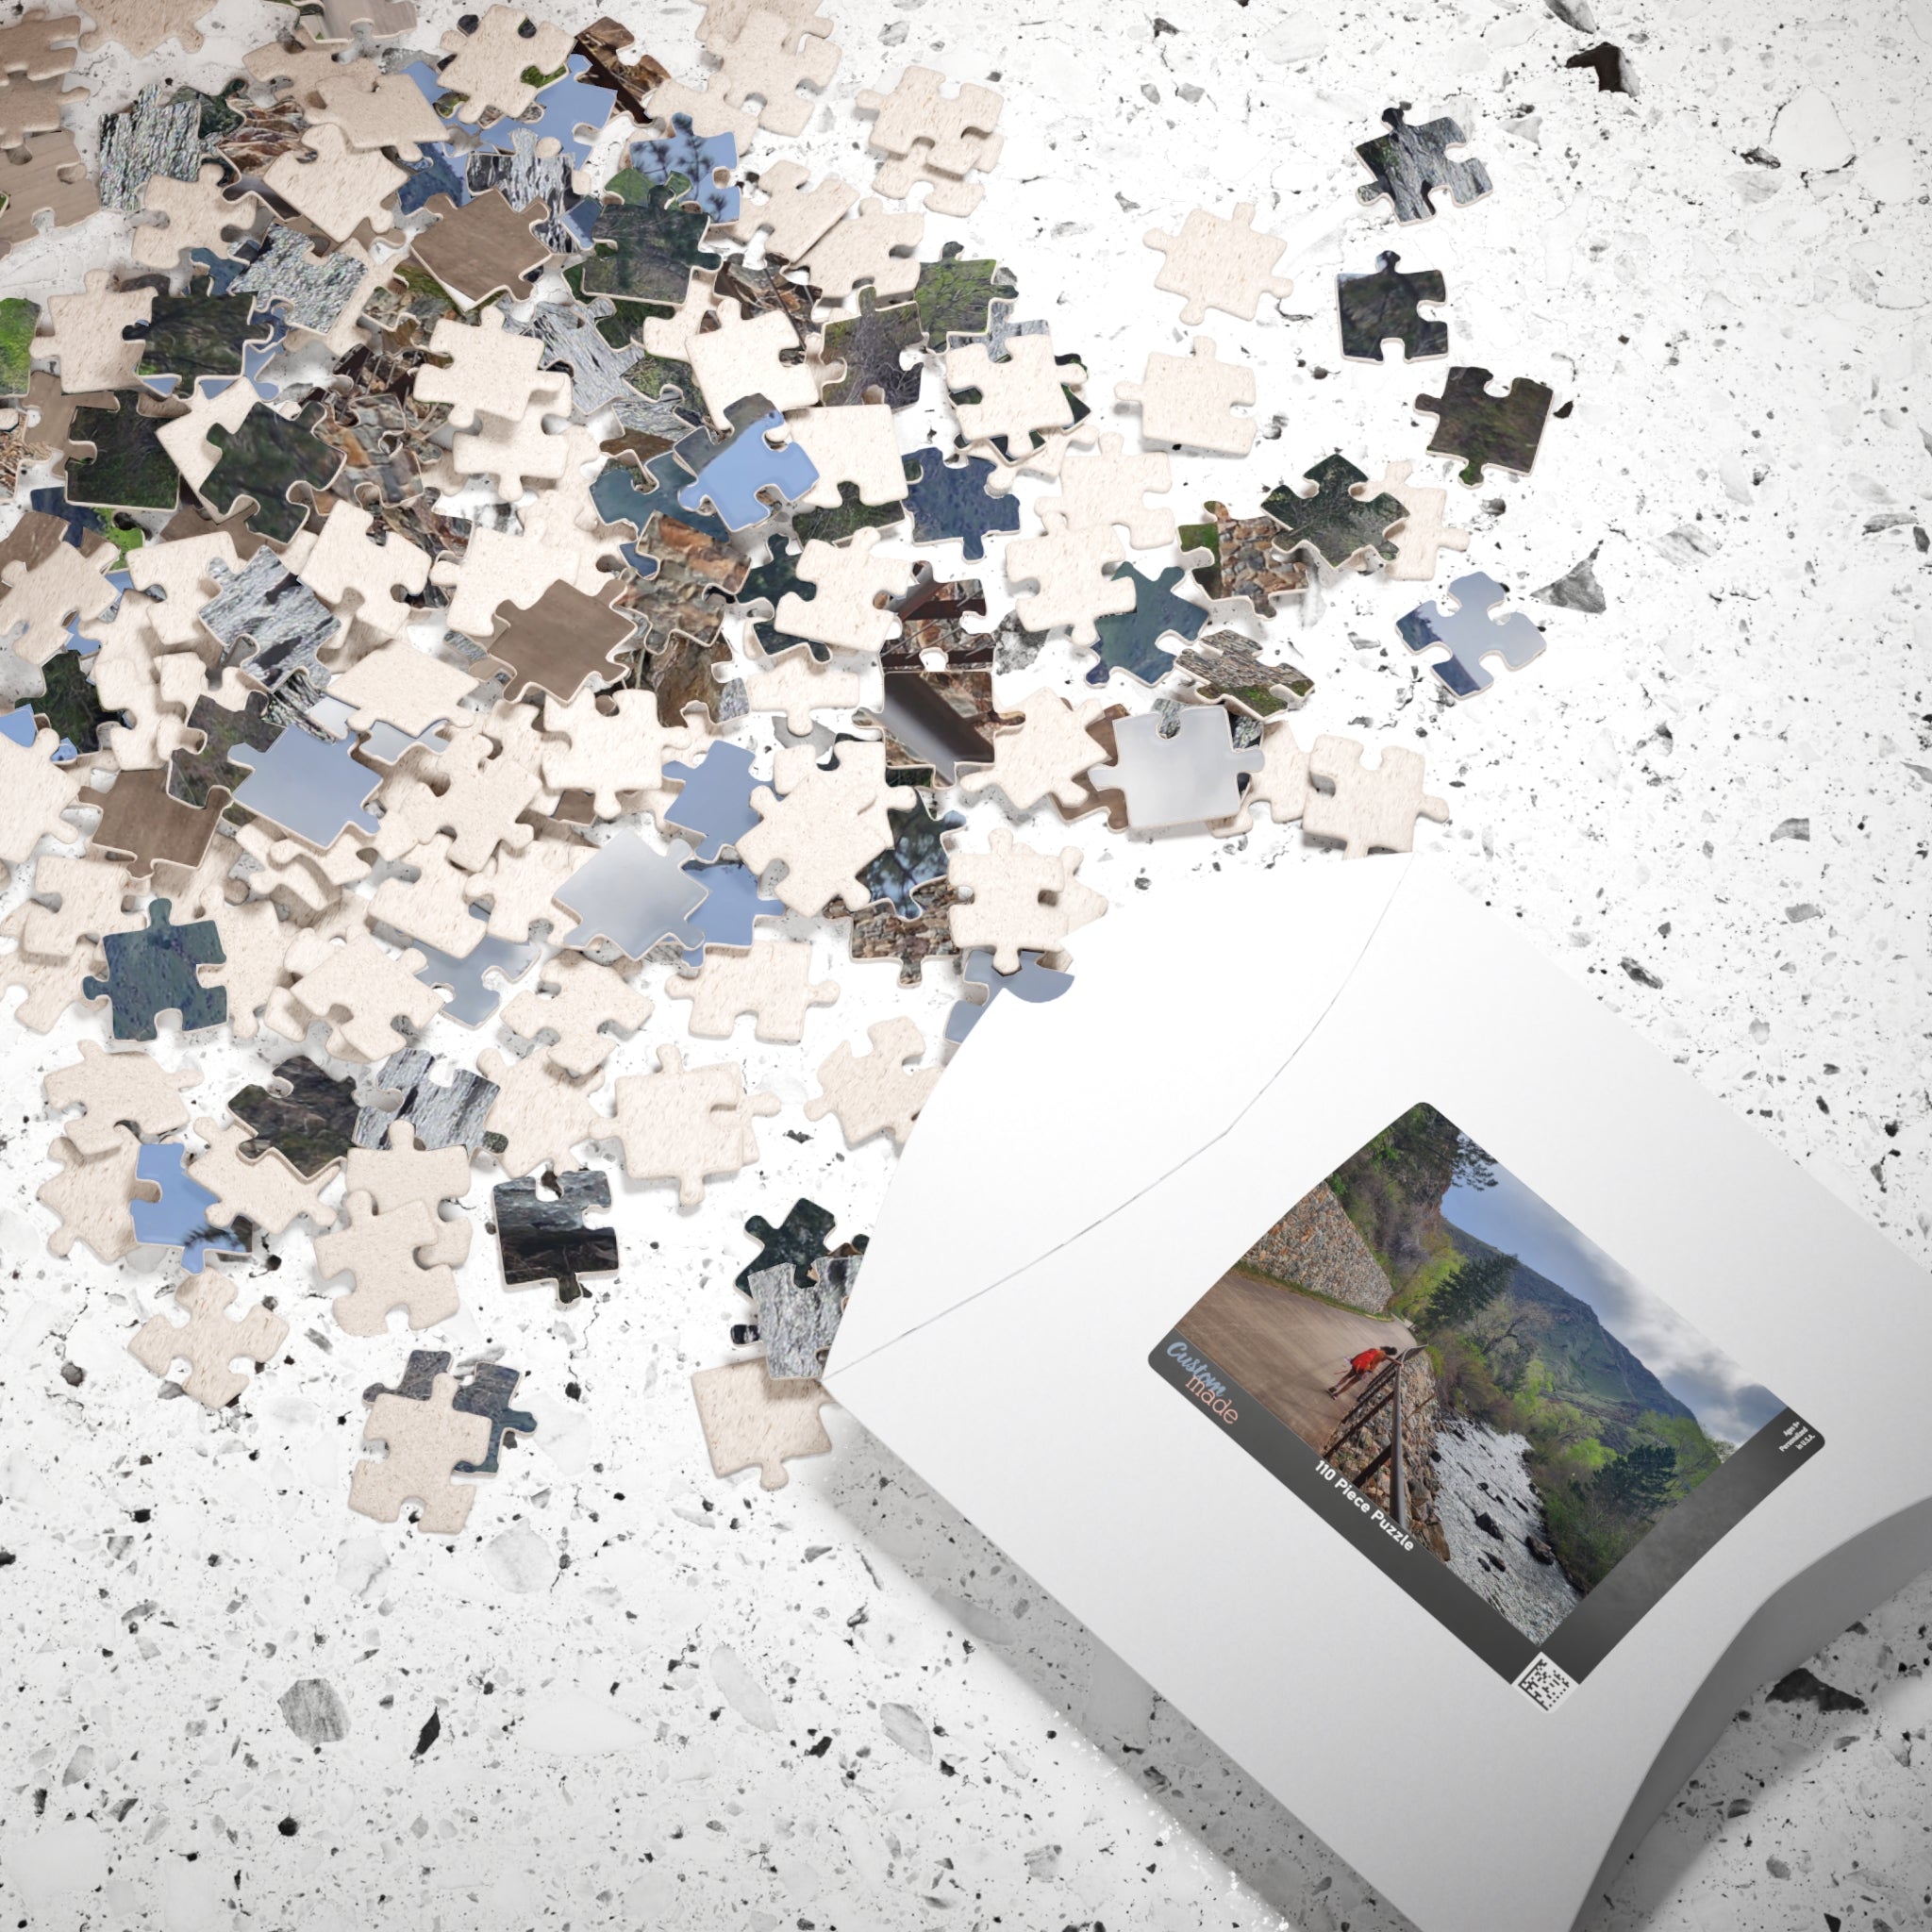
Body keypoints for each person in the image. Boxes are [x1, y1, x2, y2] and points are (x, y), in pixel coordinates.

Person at [1327, 1343, 1401, 1400]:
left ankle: (1337, 1386)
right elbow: (1394, 1361)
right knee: (1351, 1383)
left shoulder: (1374, 1350)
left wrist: (1353, 1360)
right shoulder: (1385, 1357)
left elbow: (1361, 1354)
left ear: (1384, 1347)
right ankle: (1337, 1395)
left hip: (1359, 1366)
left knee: (1347, 1376)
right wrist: (1400, 1363)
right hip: (1366, 1371)